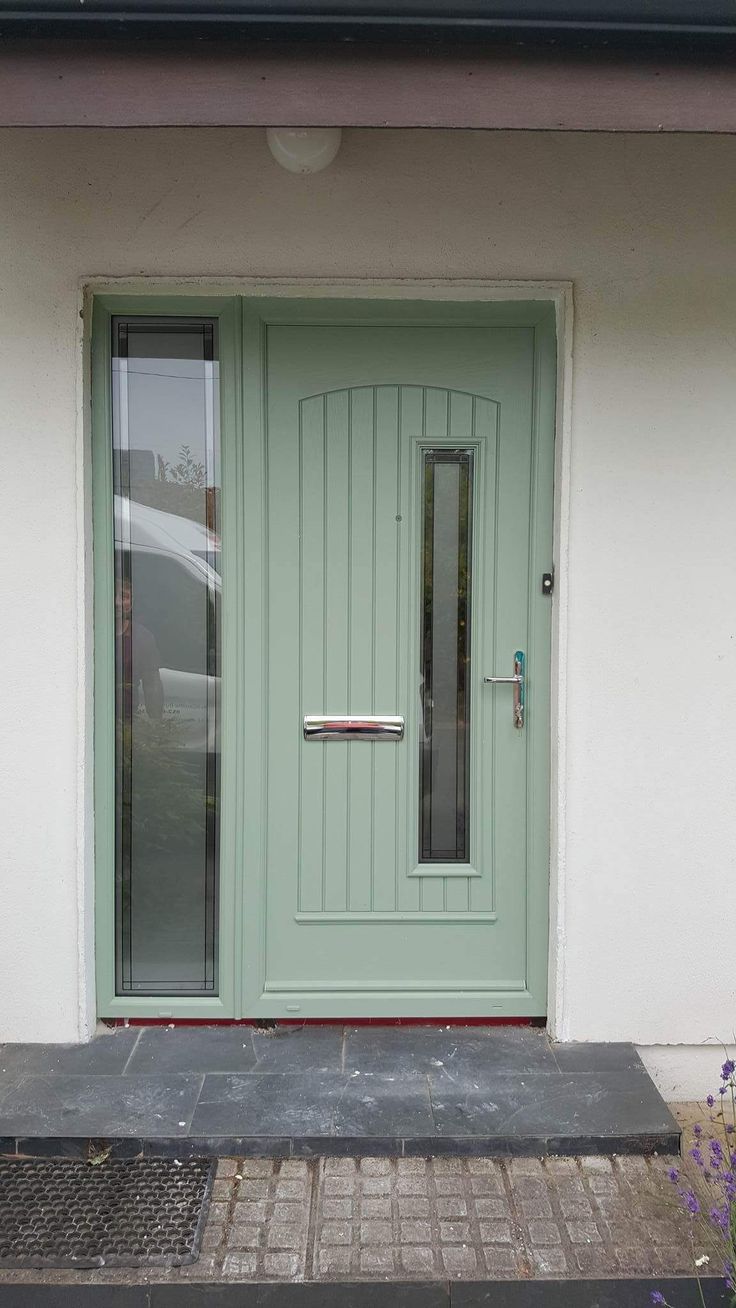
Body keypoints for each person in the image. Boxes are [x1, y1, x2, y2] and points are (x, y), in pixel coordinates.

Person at [115, 572, 164, 721]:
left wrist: (156, 725)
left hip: (126, 725)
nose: (117, 602)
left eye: (124, 596)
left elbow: (152, 685)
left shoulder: (142, 638)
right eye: (112, 594)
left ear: (132, 601)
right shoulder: (91, 634)